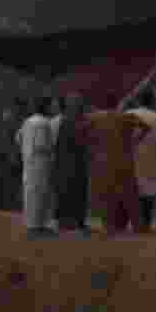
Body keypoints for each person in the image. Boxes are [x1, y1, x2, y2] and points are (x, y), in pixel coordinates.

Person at [75, 109, 152, 235]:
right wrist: (134, 141)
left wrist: (92, 144)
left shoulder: (95, 117)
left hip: (105, 162)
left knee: (107, 195)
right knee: (130, 194)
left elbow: (79, 130)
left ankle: (109, 226)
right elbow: (146, 127)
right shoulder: (125, 116)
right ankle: (138, 225)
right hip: (124, 160)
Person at [131, 88, 156, 233]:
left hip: (131, 157)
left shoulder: (129, 114)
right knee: (148, 192)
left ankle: (132, 222)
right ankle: (145, 223)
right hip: (151, 157)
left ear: (138, 100)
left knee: (132, 190)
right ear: (152, 101)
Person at [16, 96, 56, 237]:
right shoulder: (44, 123)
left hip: (28, 162)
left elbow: (18, 138)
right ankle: (37, 227)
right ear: (45, 107)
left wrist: (25, 150)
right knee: (39, 194)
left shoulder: (27, 121)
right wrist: (52, 150)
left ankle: (32, 225)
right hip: (40, 163)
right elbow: (41, 145)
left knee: (30, 193)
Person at [53, 93, 90, 234]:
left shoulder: (78, 121)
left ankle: (77, 222)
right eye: (75, 103)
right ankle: (66, 222)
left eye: (78, 103)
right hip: (68, 163)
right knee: (67, 191)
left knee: (78, 192)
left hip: (76, 163)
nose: (78, 106)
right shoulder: (68, 121)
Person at [0, 97, 28, 212]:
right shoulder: (11, 118)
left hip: (15, 156)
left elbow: (12, 138)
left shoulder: (18, 119)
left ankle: (8, 206)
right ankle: (4, 206)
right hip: (9, 156)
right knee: (6, 183)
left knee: (13, 183)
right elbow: (7, 137)